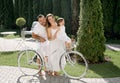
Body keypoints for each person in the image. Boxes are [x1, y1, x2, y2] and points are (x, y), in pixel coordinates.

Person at [32, 14, 48, 80]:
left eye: (43, 19)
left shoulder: (46, 24)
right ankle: (39, 71)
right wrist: (40, 38)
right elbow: (33, 35)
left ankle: (46, 69)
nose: (42, 21)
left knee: (46, 56)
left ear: (45, 18)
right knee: (40, 57)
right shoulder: (37, 26)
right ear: (38, 21)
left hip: (47, 42)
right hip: (40, 43)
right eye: (40, 21)